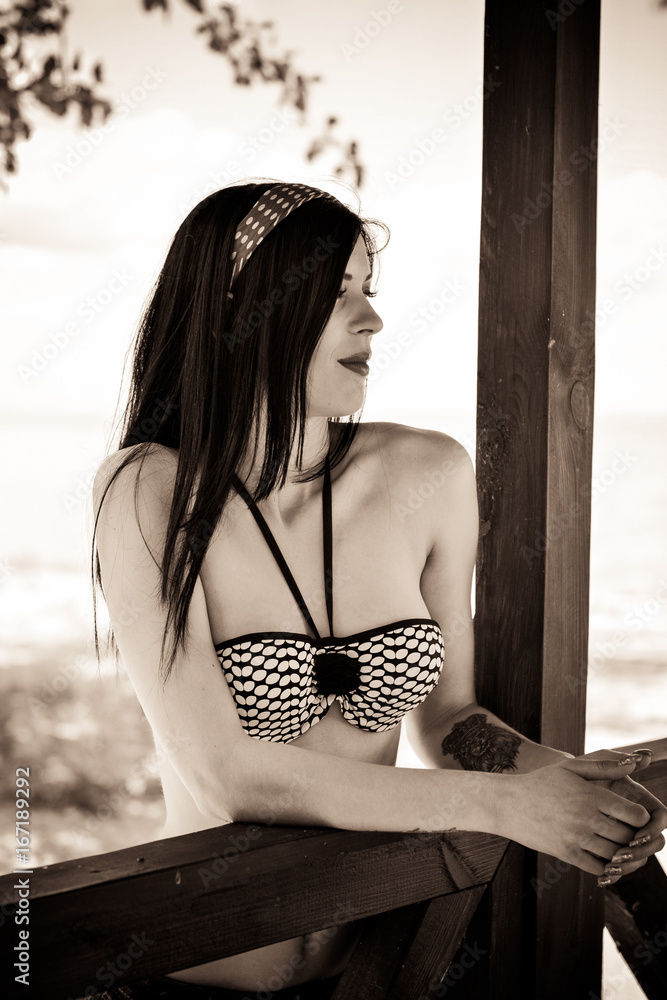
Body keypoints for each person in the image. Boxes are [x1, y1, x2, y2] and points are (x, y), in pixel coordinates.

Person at [90, 179, 667, 999]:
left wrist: (564, 784)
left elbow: (451, 720)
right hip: (199, 972)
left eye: (369, 290)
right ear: (235, 315)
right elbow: (229, 773)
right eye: (335, 297)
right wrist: (505, 811)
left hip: (392, 962)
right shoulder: (149, 491)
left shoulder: (426, 474)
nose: (371, 320)